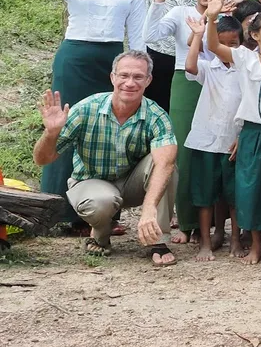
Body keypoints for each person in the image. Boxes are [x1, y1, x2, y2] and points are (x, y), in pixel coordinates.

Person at [11, 0, 147, 228]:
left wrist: (139, 75)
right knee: (64, 129)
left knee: (106, 133)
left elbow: (138, 37)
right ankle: (55, 212)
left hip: (112, 64)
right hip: (73, 61)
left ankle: (103, 214)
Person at [32, 51, 177, 265]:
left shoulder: (156, 115)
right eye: (123, 75)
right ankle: (100, 235)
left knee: (167, 165)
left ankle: (157, 239)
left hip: (132, 183)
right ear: (112, 78)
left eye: (138, 77)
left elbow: (165, 163)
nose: (130, 83)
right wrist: (51, 133)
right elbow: (42, 159)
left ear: (148, 81)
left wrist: (148, 209)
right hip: (91, 182)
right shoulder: (85, 109)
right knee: (101, 202)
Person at [209, 7, 261, 267]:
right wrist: (212, 18)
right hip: (253, 134)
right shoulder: (245, 59)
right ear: (254, 35)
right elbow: (213, 45)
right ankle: (256, 246)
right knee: (251, 189)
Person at [144, 0, 224, 245]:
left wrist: (220, 13)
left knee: (219, 149)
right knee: (184, 153)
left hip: (221, 80)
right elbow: (150, 36)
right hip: (186, 80)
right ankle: (187, 222)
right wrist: (158, 1)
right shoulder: (181, 13)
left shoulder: (229, 14)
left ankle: (218, 225)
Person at [182, 13, 244, 260]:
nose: (229, 49)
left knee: (235, 196)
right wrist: (198, 34)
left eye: (234, 43)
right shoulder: (209, 68)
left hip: (233, 142)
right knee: (205, 195)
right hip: (205, 141)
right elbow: (189, 66)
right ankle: (206, 243)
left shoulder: (246, 69)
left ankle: (236, 240)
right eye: (223, 44)